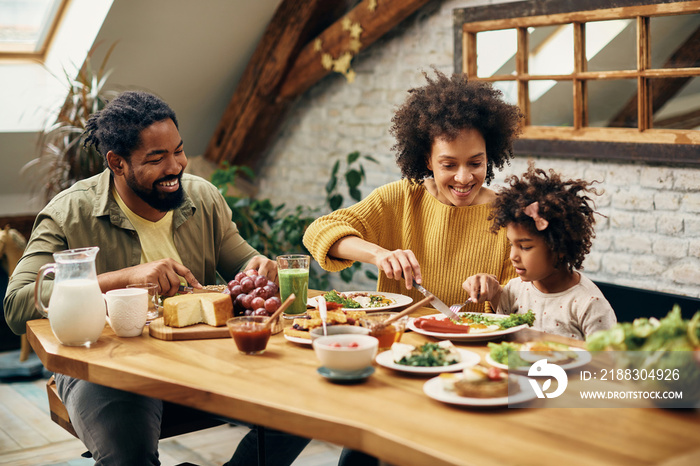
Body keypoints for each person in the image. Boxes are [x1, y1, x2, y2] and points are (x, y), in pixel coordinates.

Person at [3, 91, 309, 465]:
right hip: (108, 365)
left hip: (204, 355)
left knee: (309, 407)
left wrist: (259, 265)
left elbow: (242, 259)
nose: (176, 166)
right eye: (156, 158)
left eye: (178, 150)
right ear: (116, 163)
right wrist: (125, 278)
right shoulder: (69, 213)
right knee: (127, 457)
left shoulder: (203, 197)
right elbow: (17, 306)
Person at [303, 69, 523, 310]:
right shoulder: (402, 198)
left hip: (477, 344)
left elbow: (520, 304)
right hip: (399, 340)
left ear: (488, 157)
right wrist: (379, 255)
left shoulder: (508, 215)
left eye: (475, 163)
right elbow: (318, 232)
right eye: (448, 164)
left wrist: (494, 290)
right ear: (427, 160)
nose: (463, 177)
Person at [462, 162, 617, 340]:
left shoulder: (589, 304)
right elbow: (500, 342)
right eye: (511, 244)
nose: (513, 256)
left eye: (525, 247)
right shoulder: (513, 291)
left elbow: (609, 364)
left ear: (558, 247)